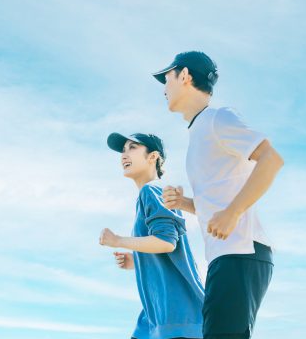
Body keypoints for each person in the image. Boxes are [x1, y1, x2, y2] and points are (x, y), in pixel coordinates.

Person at [152, 51, 284, 339]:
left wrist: (233, 212)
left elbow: (271, 159)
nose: (164, 88)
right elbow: (219, 203)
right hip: (227, 255)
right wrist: (184, 203)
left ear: (184, 75)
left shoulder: (217, 118)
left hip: (241, 252)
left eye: (167, 78)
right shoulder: (200, 130)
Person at [99, 132, 204, 339]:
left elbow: (166, 242)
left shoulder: (153, 190)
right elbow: (161, 247)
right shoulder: (147, 195)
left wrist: (118, 241)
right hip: (155, 317)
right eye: (123, 150)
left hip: (178, 316)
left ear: (153, 157)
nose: (124, 155)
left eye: (132, 147)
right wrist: (137, 259)